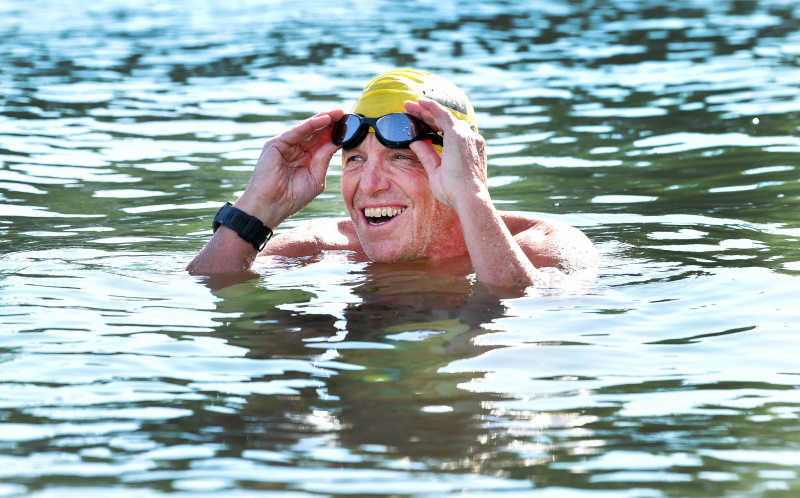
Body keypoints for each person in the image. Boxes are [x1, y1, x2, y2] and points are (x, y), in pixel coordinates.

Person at [186, 69, 599, 288]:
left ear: (457, 164)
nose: (369, 185)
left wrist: (472, 196)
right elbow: (202, 291)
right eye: (355, 160)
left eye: (400, 158)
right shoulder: (321, 247)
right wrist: (257, 209)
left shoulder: (542, 244)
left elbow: (526, 307)